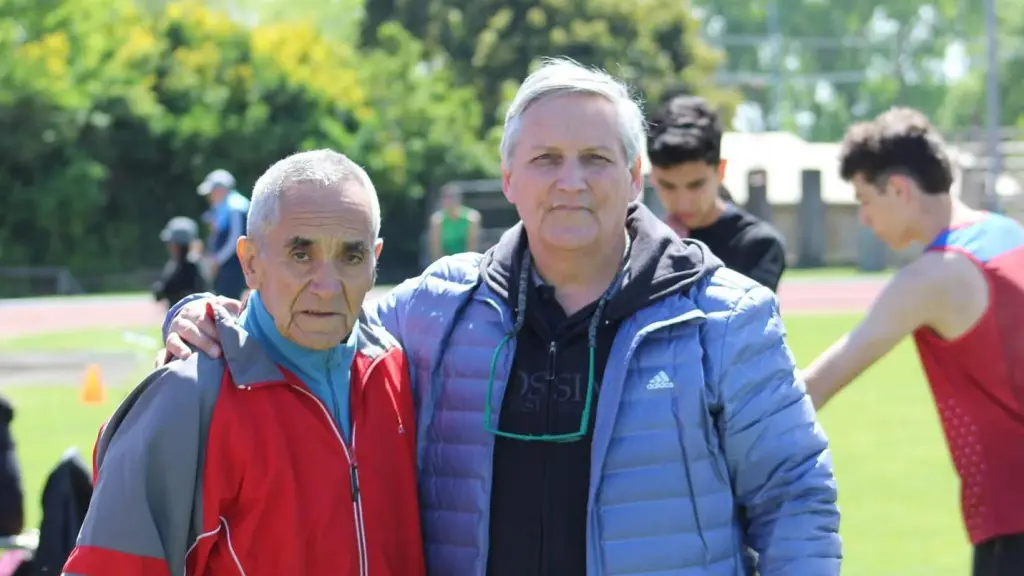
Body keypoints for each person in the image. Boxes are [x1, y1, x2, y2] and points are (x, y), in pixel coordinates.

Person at [159, 58, 841, 575]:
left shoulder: (725, 318)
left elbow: (794, 497)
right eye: (546, 159)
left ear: (635, 178)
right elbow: (314, 321)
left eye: (595, 159)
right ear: (509, 178)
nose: (571, 181)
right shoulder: (436, 309)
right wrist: (200, 312)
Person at [64, 150, 426, 576]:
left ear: (374, 261)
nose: (328, 286)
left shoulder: (398, 371)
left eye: (351, 256)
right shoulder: (186, 398)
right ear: (250, 263)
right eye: (301, 254)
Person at [801, 107, 1024, 576]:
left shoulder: (933, 275)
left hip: (1013, 519)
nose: (864, 219)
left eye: (865, 200)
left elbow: (818, 385)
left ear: (899, 189)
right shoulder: (1008, 233)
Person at [646, 94, 788, 292]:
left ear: (721, 171)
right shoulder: (640, 242)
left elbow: (738, 311)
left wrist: (675, 259)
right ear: (652, 176)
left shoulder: (759, 245)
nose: (683, 202)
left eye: (696, 185)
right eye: (668, 186)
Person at [197, 169, 250, 299]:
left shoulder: (236, 207)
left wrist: (217, 260)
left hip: (233, 266)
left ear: (221, 190)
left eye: (211, 192)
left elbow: (235, 239)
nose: (209, 196)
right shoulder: (225, 206)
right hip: (226, 266)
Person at [151, 216, 207, 309]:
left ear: (178, 244)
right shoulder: (182, 264)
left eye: (171, 243)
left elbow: (162, 292)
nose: (168, 246)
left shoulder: (188, 266)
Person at [427, 184, 482, 261]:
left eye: (450, 197)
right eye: (444, 197)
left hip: (466, 259)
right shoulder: (437, 220)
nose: (447, 201)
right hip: (444, 259)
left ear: (459, 199)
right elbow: (435, 248)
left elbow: (472, 246)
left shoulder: (472, 217)